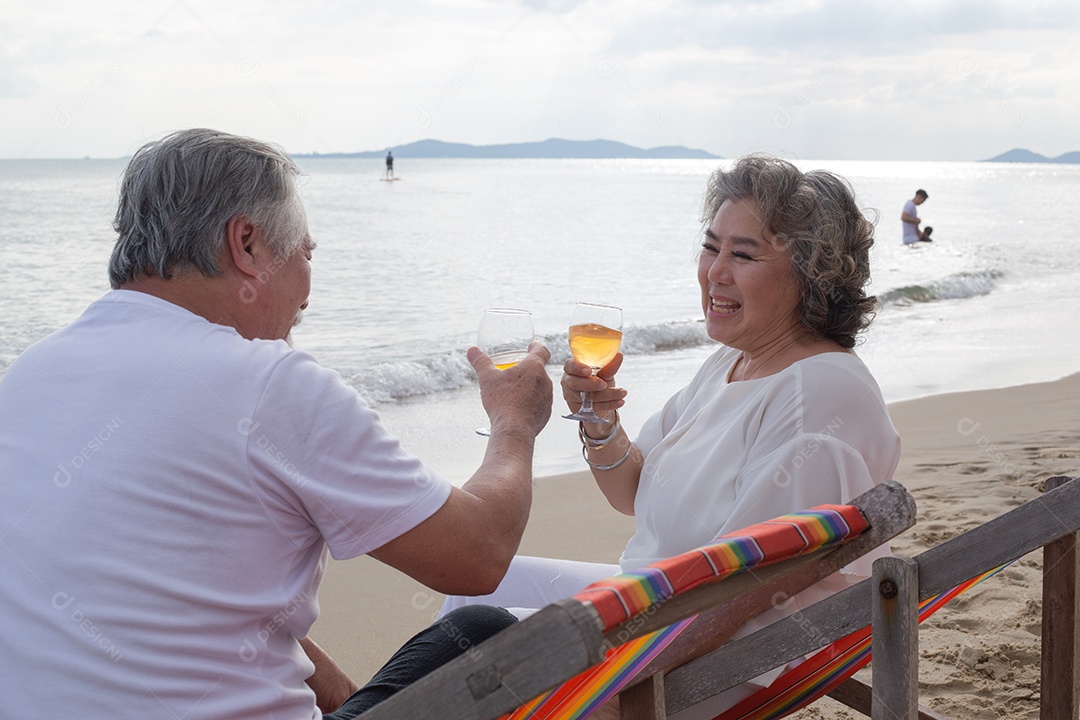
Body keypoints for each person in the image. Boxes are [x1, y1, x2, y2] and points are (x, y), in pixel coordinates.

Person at [0, 129, 553, 719]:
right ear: (247, 244)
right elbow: (479, 555)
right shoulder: (267, 383)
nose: (307, 297)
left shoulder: (28, 375)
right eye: (306, 254)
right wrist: (513, 419)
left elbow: (165, 598)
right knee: (487, 630)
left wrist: (347, 697)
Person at [440, 155, 901, 717]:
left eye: (744, 254)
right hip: (653, 600)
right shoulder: (731, 363)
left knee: (469, 649)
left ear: (811, 276)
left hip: (708, 657)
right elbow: (632, 492)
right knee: (473, 590)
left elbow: (752, 589)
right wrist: (597, 419)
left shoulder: (820, 393)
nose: (716, 272)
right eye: (711, 247)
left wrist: (617, 671)